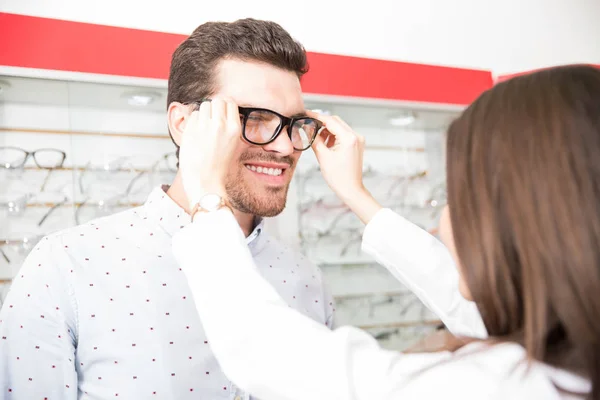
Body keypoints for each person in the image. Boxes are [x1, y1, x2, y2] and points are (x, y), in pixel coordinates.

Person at [171, 65, 599, 400]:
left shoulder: (501, 387)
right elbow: (462, 299)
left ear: (527, 224)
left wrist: (208, 196)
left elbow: (269, 353)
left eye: (459, 196)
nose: (283, 147)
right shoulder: (572, 363)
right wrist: (356, 195)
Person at [0, 19, 334, 399]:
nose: (287, 147)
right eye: (255, 119)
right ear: (183, 124)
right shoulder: (64, 268)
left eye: (295, 124)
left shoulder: (308, 280)